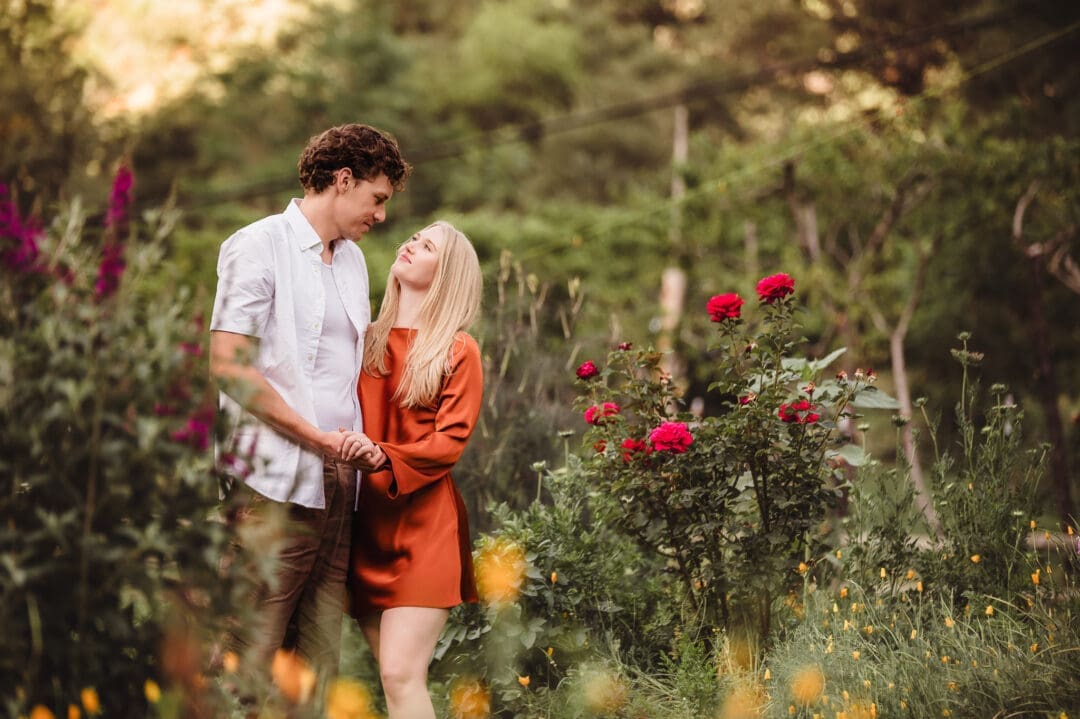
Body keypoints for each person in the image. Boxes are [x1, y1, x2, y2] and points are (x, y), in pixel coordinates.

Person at [208, 123, 410, 682]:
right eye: (377, 199)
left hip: (339, 483)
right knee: (248, 649)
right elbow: (229, 366)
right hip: (271, 481)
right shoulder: (257, 244)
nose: (381, 215)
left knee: (317, 663)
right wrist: (316, 438)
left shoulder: (352, 261)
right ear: (343, 180)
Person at [338, 220, 483, 719]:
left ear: (447, 274)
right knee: (392, 680)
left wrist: (382, 456)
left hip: (424, 528)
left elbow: (450, 442)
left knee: (401, 675)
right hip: (365, 527)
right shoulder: (365, 341)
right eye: (413, 238)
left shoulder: (458, 349)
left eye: (426, 247)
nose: (409, 245)